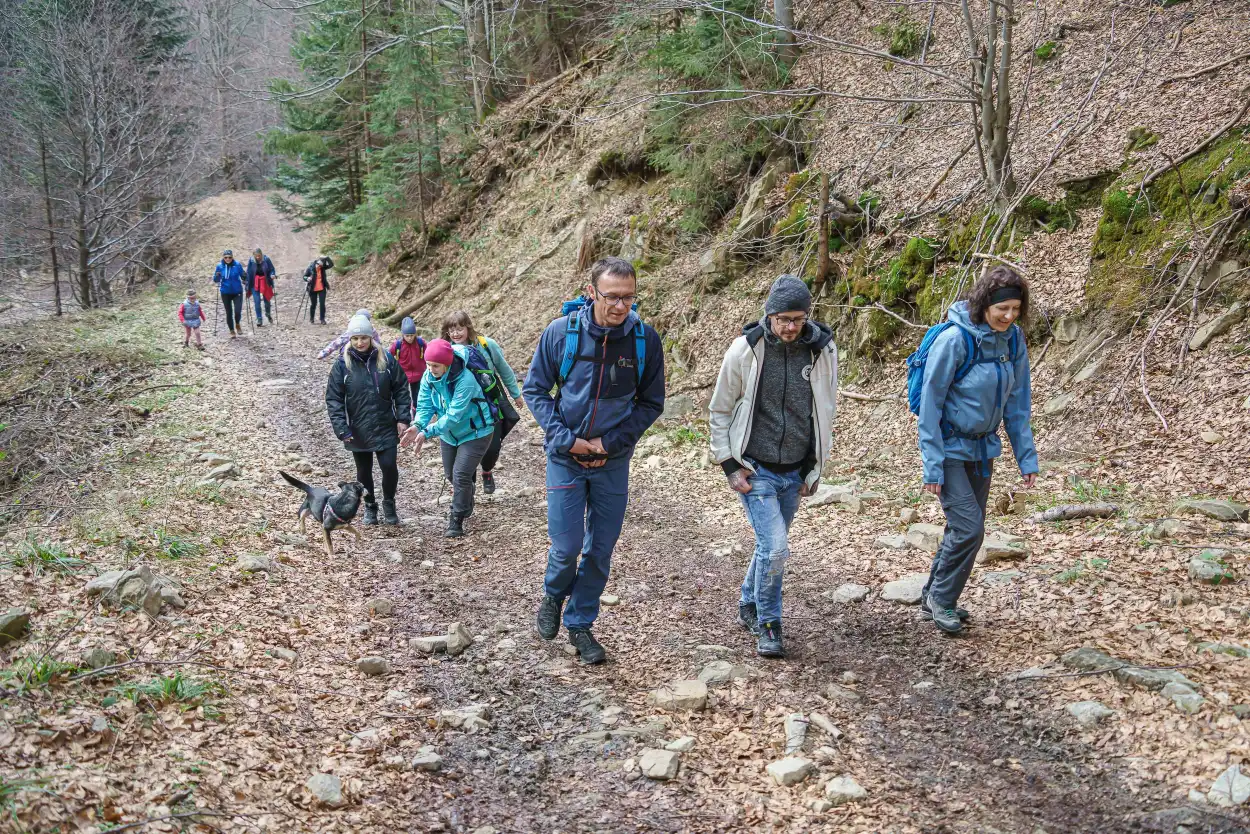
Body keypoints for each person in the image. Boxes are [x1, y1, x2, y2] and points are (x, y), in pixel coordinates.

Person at [523, 257, 665, 664]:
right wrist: (567, 439)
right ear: (591, 293)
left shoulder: (644, 340)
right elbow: (534, 391)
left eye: (629, 298)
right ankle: (553, 594)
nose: (621, 306)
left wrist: (609, 442)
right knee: (566, 547)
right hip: (565, 458)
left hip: (613, 459)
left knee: (600, 549)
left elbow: (651, 402)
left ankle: (580, 622)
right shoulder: (561, 333)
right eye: (612, 297)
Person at [708, 275, 838, 658]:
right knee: (777, 548)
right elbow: (719, 410)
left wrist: (814, 467)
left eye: (797, 319)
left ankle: (748, 603)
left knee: (769, 546)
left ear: (807, 317)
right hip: (755, 467)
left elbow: (825, 411)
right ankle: (769, 624)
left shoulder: (822, 351)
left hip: (795, 469)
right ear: (768, 315)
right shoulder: (745, 349)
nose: (789, 327)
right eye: (782, 318)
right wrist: (729, 464)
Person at [916, 265, 1038, 635]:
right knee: (970, 528)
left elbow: (1018, 404)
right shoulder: (955, 340)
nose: (1009, 316)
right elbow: (930, 405)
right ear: (984, 303)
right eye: (1003, 309)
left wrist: (1026, 457)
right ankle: (942, 600)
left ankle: (933, 594)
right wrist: (932, 464)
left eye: (1016, 309)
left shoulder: (1013, 341)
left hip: (983, 450)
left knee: (964, 528)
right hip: (949, 449)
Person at [325, 313, 415, 526]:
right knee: (363, 471)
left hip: (385, 424)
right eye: (355, 338)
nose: (359, 342)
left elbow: (401, 388)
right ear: (350, 340)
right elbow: (334, 399)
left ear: (371, 337)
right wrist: (341, 428)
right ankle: (370, 506)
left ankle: (389, 504)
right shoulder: (342, 365)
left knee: (389, 466)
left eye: (363, 338)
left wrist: (403, 418)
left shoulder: (386, 359)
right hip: (358, 428)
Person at [411, 339, 497, 538]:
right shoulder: (428, 376)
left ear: (447, 364)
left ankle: (456, 520)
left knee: (460, 475)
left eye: (435, 366)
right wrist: (417, 426)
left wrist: (427, 432)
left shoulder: (465, 379)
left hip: (477, 431)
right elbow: (424, 406)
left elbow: (453, 415)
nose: (431, 369)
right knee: (451, 475)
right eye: (428, 365)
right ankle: (467, 491)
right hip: (450, 435)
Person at [441, 310, 523, 494]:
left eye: (459, 329)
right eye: (451, 330)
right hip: (462, 406)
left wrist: (515, 394)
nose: (455, 334)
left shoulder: (486, 345)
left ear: (468, 328)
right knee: (464, 444)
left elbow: (504, 369)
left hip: (490, 402)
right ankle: (467, 488)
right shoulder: (445, 351)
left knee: (492, 447)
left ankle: (487, 470)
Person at [390, 317, 427, 418]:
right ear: (403, 334)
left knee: (418, 397)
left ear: (415, 334)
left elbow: (428, 354)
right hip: (403, 376)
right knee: (404, 398)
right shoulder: (398, 345)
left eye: (412, 335)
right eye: (407, 336)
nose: (410, 338)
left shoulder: (421, 343)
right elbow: (389, 356)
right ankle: (404, 418)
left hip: (419, 375)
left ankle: (417, 417)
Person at [213, 249, 246, 337]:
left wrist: (245, 278)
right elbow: (215, 280)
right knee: (229, 312)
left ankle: (237, 324)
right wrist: (217, 276)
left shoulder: (237, 265)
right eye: (226, 257)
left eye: (229, 257)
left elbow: (243, 275)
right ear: (223, 258)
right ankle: (231, 330)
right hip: (225, 292)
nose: (228, 259)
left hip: (237, 291)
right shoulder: (219, 266)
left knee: (237, 311)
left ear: (232, 257)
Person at [247, 247, 277, 327]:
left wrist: (272, 274)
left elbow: (272, 269)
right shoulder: (251, 261)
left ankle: (268, 313)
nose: (258, 257)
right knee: (257, 301)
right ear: (253, 255)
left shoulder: (266, 259)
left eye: (259, 255)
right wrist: (247, 282)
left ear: (261, 254)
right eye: (256, 255)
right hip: (255, 282)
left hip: (265, 281)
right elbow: (249, 272)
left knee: (266, 300)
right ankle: (259, 318)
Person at [304, 256, 333, 325]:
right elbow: (304, 276)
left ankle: (322, 319)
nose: (321, 266)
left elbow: (331, 265)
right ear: (317, 263)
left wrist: (327, 258)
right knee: (313, 304)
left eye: (322, 265)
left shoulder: (322, 268)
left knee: (322, 304)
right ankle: (312, 318)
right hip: (312, 289)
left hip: (322, 288)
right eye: (320, 264)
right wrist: (307, 278)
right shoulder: (310, 268)